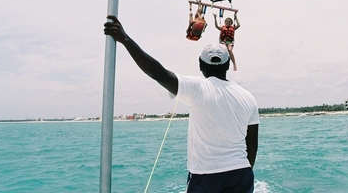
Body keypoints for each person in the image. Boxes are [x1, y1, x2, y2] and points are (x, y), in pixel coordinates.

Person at [104, 15, 259, 193]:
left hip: (206, 176)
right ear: (227, 65)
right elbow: (252, 145)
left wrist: (125, 40)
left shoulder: (197, 87)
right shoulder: (248, 97)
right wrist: (244, 172)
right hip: (241, 173)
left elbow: (157, 73)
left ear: (201, 65)